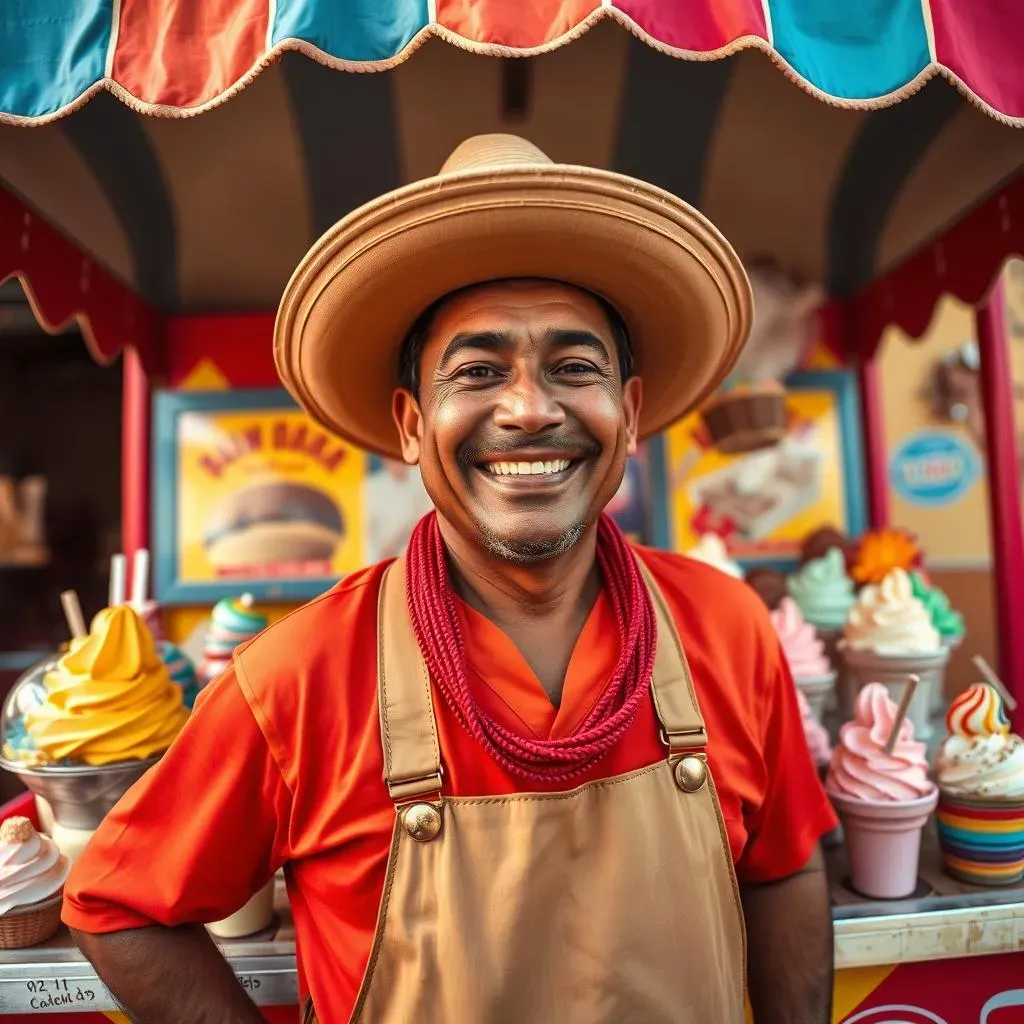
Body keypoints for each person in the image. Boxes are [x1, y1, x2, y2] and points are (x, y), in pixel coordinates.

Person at [64, 135, 836, 1024]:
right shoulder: (297, 676)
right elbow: (115, 904)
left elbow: (786, 868)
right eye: (476, 372)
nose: (529, 409)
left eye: (574, 368)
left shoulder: (727, 624)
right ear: (409, 423)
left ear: (628, 415)